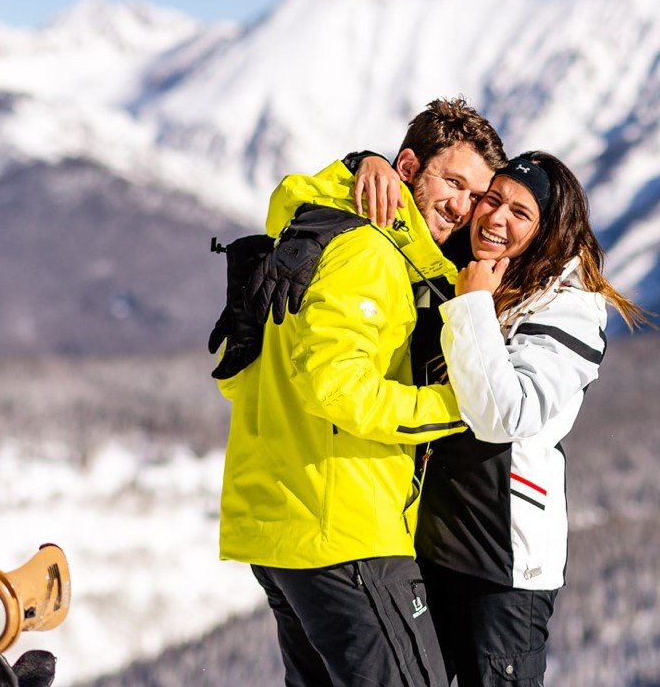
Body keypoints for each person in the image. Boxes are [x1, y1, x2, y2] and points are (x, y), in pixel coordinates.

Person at [215, 97, 505, 687]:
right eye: (453, 182)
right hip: (345, 532)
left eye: (477, 196)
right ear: (406, 168)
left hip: (287, 527)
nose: (463, 206)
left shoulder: (319, 230)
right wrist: (461, 406)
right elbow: (340, 389)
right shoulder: (369, 254)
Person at [355, 150, 648, 686]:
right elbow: (428, 171)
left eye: (520, 213)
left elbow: (505, 413)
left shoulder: (569, 307)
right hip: (431, 547)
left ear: (547, 232)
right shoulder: (475, 270)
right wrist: (368, 161)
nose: (495, 217)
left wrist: (472, 308)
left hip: (502, 568)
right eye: (492, 199)